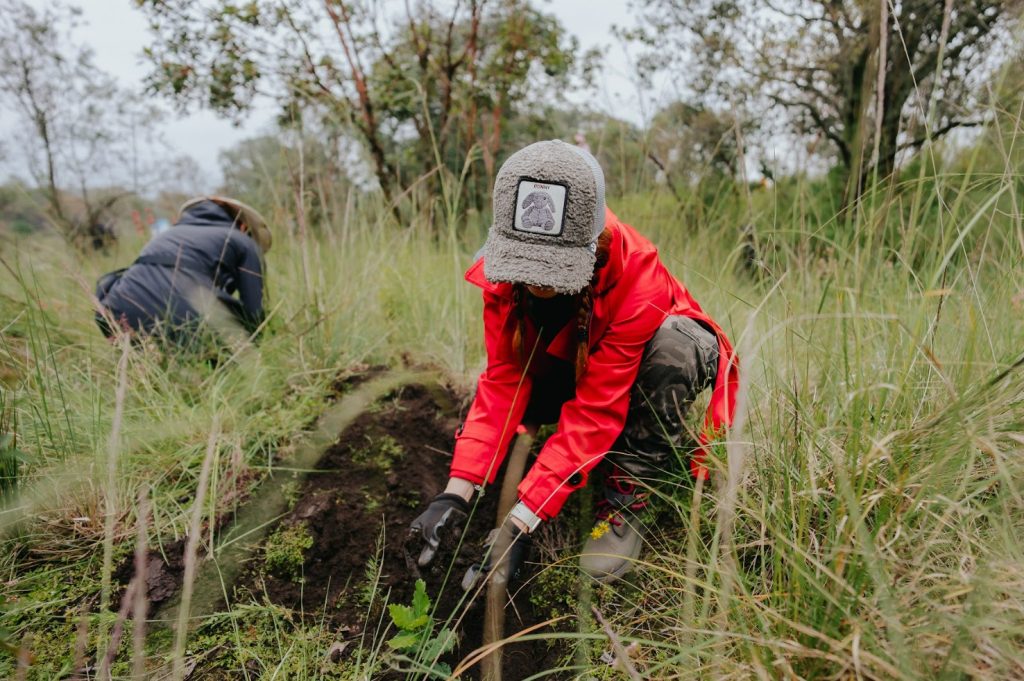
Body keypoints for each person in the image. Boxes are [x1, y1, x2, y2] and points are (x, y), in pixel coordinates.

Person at [409, 140, 739, 585]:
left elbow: (596, 409)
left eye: (551, 268)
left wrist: (522, 520)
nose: (536, 281)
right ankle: (525, 464)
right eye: (524, 264)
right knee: (513, 409)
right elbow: (503, 380)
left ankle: (628, 491)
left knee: (673, 348)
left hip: (642, 365)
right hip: (569, 362)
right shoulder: (501, 272)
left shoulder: (637, 278)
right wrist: (455, 493)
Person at [94, 196, 271, 350]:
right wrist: (254, 350)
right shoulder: (242, 240)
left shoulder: (165, 235)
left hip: (116, 310)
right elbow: (254, 310)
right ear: (242, 225)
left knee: (159, 363)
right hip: (186, 315)